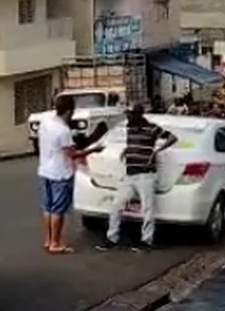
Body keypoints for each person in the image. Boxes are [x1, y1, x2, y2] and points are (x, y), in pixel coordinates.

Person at [103, 104, 178, 251]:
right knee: (116, 205)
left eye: (130, 115)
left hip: (146, 174)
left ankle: (147, 240)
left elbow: (173, 137)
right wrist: (127, 150)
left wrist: (157, 150)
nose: (127, 117)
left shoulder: (151, 128)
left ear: (137, 115)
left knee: (147, 208)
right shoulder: (130, 128)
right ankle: (112, 238)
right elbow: (134, 144)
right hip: (130, 174)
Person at [37, 94, 86, 254]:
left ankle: (48, 239)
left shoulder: (46, 121)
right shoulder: (63, 131)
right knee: (58, 209)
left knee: (48, 207)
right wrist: (91, 150)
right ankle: (55, 243)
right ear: (69, 111)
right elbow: (71, 154)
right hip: (61, 173)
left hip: (45, 169)